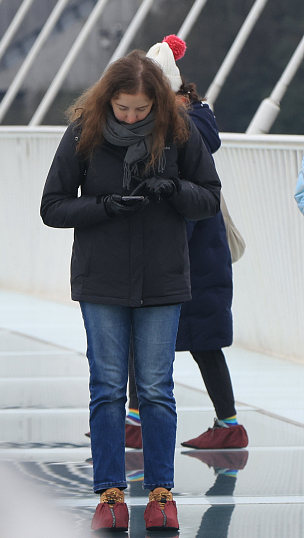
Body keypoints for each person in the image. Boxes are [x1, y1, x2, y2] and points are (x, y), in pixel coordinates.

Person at [40, 49, 220, 532]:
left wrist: (174, 189)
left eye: (141, 109)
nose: (132, 116)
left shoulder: (179, 133)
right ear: (109, 99)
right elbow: (52, 206)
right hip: (101, 280)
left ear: (158, 101)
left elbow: (209, 199)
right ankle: (110, 494)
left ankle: (162, 493)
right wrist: (103, 206)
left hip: (162, 279)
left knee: (158, 389)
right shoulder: (84, 132)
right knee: (107, 387)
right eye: (123, 108)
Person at [119, 37, 247, 452]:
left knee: (165, 337)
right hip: (203, 256)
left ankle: (222, 424)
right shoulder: (196, 123)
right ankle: (222, 423)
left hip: (187, 256)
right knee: (195, 341)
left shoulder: (177, 133)